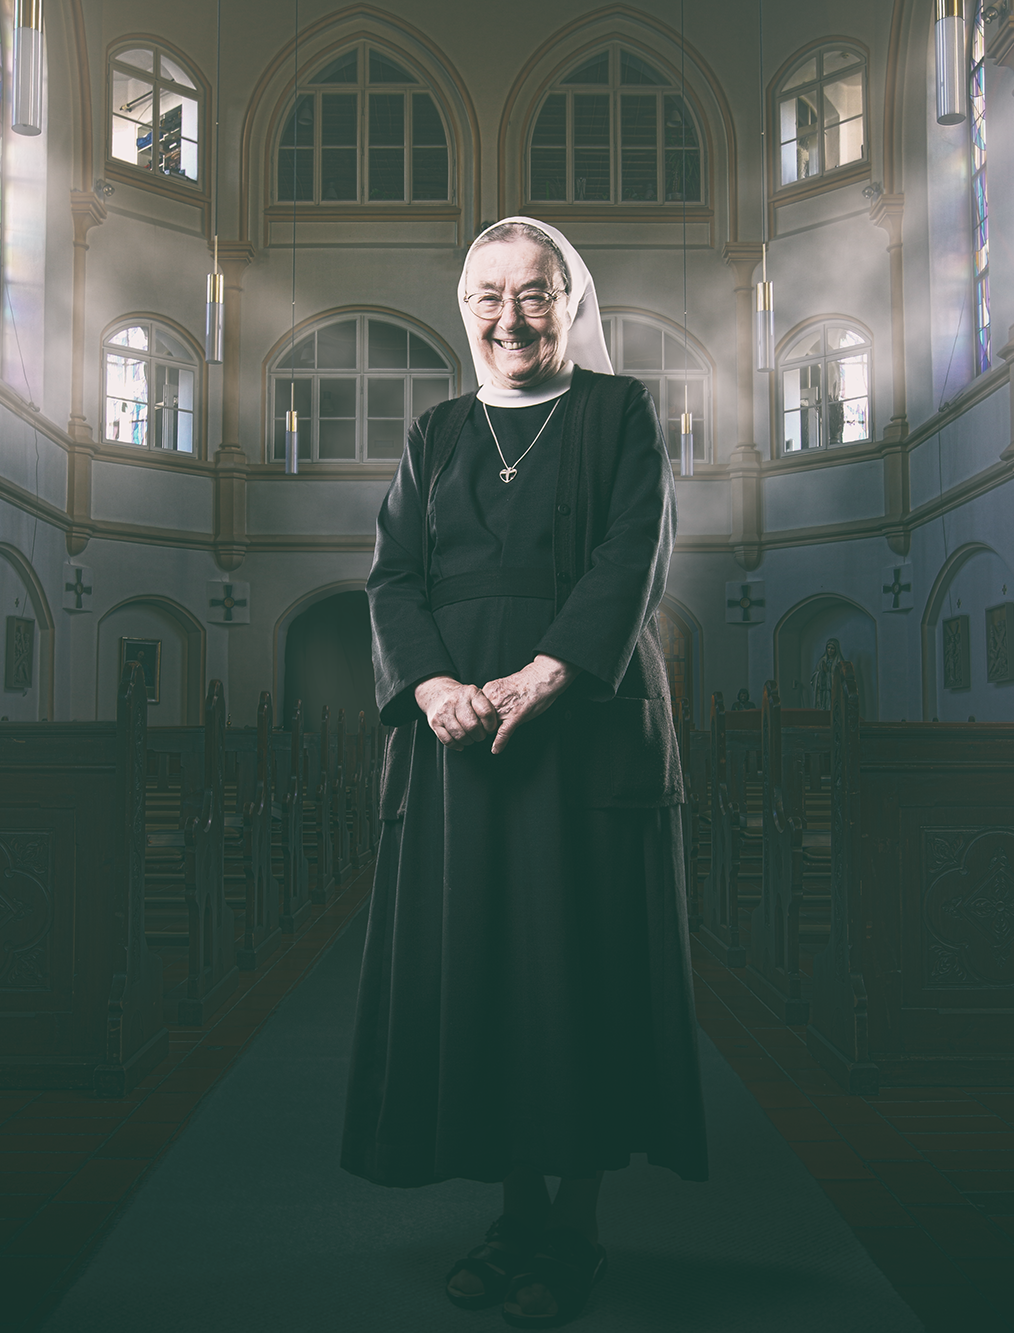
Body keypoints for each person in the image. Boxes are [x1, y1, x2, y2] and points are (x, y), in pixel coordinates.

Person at [343, 218, 708, 1328]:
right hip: (460, 746)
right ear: (465, 307)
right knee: (486, 976)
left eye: (535, 293)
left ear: (571, 302)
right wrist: (431, 689)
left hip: (583, 728)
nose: (510, 317)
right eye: (488, 295)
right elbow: (392, 578)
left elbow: (632, 553)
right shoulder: (436, 432)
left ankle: (578, 1225)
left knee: (582, 973)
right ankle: (515, 1212)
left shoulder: (618, 413)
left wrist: (547, 672)